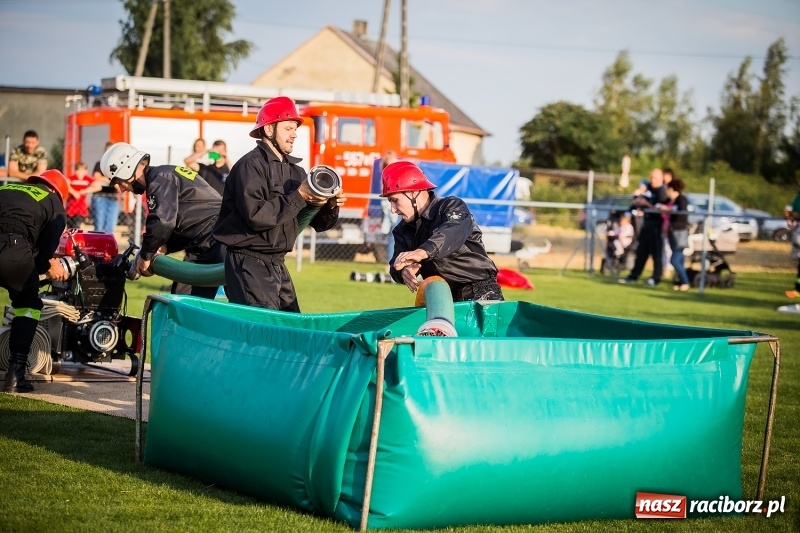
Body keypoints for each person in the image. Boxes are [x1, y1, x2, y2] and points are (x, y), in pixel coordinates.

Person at [212, 96, 345, 311]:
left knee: (291, 331)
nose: (294, 134)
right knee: (264, 335)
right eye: (288, 128)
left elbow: (319, 224)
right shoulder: (250, 166)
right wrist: (300, 195)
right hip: (248, 262)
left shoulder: (296, 171)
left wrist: (330, 205)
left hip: (277, 263)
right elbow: (257, 216)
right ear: (268, 130)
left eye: (295, 129)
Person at [100, 142, 225, 299]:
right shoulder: (163, 175)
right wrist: (165, 246)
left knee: (242, 301)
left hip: (217, 239)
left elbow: (162, 221)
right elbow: (186, 220)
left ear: (127, 168)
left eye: (119, 182)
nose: (122, 189)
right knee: (185, 301)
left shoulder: (160, 179)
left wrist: (146, 255)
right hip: (207, 240)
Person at [383, 160, 504, 302]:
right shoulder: (403, 230)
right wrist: (403, 271)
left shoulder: (451, 206)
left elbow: (451, 231)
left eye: (395, 200)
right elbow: (395, 264)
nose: (392, 209)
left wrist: (421, 252)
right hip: (441, 297)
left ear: (413, 192)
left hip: (481, 292)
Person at [1, 170, 70, 392]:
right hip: (14, 249)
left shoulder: (6, 187)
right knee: (28, 305)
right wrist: (44, 270)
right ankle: (15, 376)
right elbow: (43, 256)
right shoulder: (53, 203)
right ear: (58, 193)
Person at [620, 168, 669, 286]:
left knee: (656, 253)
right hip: (646, 224)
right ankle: (634, 275)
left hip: (657, 226)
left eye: (655, 178)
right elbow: (639, 198)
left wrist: (647, 204)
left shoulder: (662, 191)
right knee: (642, 251)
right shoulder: (648, 188)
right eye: (651, 177)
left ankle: (656, 278)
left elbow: (660, 208)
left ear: (661, 178)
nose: (653, 180)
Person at [663, 178, 691, 291]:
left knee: (674, 260)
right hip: (673, 232)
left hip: (680, 234)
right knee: (680, 260)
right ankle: (680, 282)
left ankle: (685, 282)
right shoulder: (673, 201)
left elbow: (682, 215)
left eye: (667, 189)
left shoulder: (682, 200)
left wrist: (668, 209)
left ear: (672, 189)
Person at [90, 141, 122, 235]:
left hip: (113, 198)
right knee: (99, 226)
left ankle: (107, 247)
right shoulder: (99, 164)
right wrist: (112, 181)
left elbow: (120, 181)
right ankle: (96, 247)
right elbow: (97, 177)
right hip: (100, 197)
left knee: (110, 228)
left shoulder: (117, 166)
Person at [379, 151, 400, 272]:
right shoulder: (386, 178)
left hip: (400, 210)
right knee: (394, 236)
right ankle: (391, 263)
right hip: (391, 211)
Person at [65, 161, 94, 229]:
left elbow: (98, 186)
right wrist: (74, 192)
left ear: (86, 171)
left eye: (82, 170)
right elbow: (66, 183)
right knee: (70, 227)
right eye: (78, 170)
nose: (80, 172)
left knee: (76, 226)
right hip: (71, 208)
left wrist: (85, 191)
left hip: (81, 209)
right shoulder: (72, 178)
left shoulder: (87, 179)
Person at [785, 187, 800, 299]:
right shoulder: (798, 197)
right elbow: (790, 209)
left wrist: (794, 216)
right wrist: (789, 215)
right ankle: (797, 290)